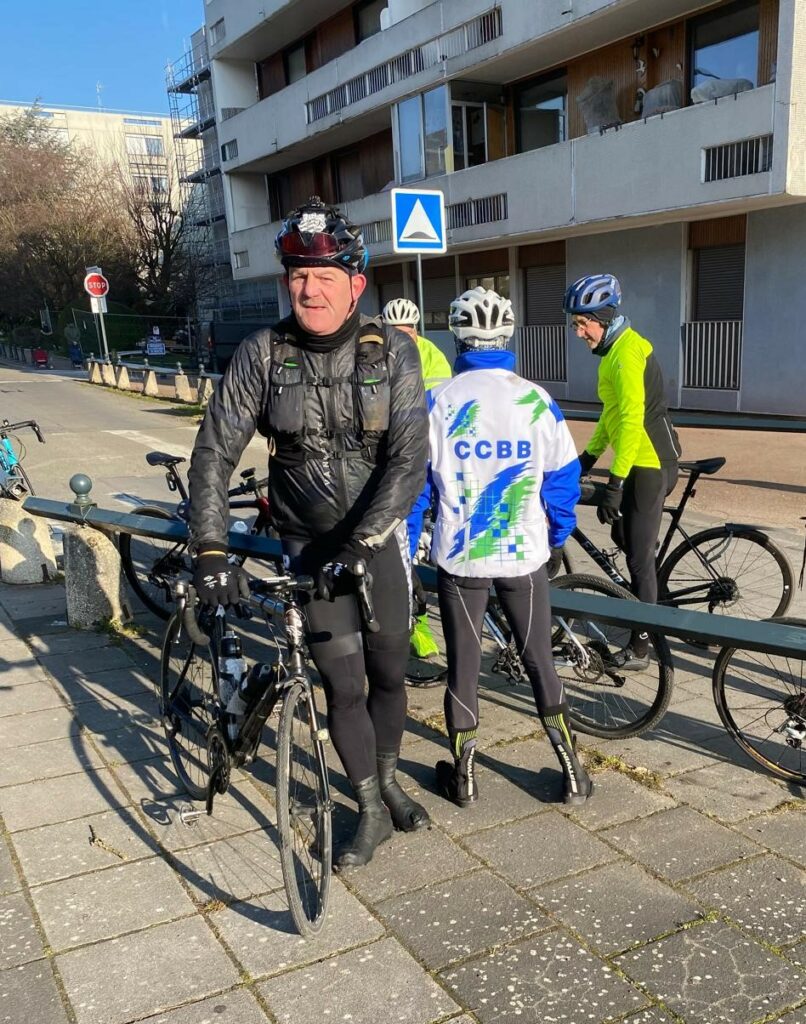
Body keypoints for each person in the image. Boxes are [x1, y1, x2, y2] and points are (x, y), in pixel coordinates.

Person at [187, 196, 431, 869]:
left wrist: (364, 542)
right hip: (307, 548)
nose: (310, 290)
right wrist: (210, 548)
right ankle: (370, 809)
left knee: (390, 675)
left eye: (325, 276)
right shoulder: (262, 354)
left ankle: (389, 779)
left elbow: (410, 460)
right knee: (343, 686)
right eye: (299, 276)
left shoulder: (394, 353)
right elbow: (213, 454)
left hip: (375, 545)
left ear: (356, 284)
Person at [419, 286, 593, 807]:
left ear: (457, 340)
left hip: (460, 557)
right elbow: (564, 479)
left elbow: (416, 485)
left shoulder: (437, 401)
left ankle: (465, 779)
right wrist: (556, 535)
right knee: (540, 660)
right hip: (524, 554)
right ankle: (573, 775)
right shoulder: (536, 399)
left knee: (463, 665)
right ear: (508, 337)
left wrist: (409, 542)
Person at [564, 273, 681, 669]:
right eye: (575, 324)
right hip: (636, 461)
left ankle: (641, 648)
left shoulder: (628, 352)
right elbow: (610, 415)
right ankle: (646, 602)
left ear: (604, 317)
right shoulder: (611, 354)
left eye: (584, 323)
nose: (579, 332)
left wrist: (615, 482)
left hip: (650, 464)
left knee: (639, 559)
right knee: (623, 535)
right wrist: (587, 457)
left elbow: (631, 421)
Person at [381, 297, 452, 661]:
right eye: (395, 332)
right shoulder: (374, 353)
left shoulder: (433, 357)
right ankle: (414, 619)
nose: (401, 338)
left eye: (407, 332)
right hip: (396, 456)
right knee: (403, 539)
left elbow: (444, 409)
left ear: (417, 331)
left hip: (427, 452)